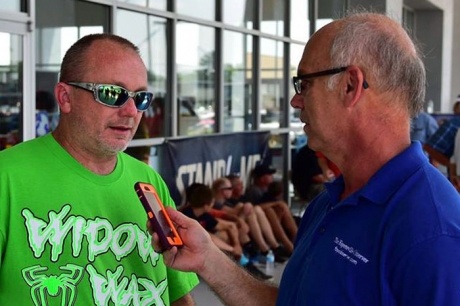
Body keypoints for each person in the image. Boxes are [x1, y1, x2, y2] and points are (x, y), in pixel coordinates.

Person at [149, 11, 460, 306]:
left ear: (350, 85)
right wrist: (208, 259)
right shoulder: (327, 204)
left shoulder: (433, 232)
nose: (296, 101)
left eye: (305, 83)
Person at [0, 33, 198, 305]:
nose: (131, 111)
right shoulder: (7, 178)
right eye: (112, 94)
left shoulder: (148, 181)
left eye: (140, 97)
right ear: (65, 97)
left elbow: (178, 296)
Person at [212, 177, 288, 263]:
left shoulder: (228, 201)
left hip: (236, 225)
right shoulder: (216, 203)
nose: (232, 190)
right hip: (228, 227)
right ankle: (268, 249)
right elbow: (227, 215)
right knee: (252, 211)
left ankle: (271, 247)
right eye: (229, 188)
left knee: (256, 210)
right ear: (221, 190)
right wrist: (241, 209)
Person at [245, 163, 298, 254]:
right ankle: (288, 245)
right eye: (269, 175)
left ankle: (296, 238)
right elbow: (256, 208)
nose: (272, 176)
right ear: (261, 178)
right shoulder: (255, 191)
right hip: (263, 225)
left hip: (274, 224)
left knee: (281, 207)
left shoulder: (267, 189)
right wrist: (276, 203)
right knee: (271, 210)